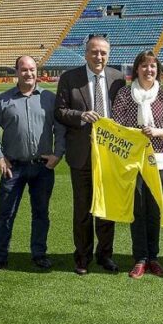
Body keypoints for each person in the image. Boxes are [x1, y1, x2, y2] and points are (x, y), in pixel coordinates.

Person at [0, 56, 65, 273]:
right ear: (16, 72)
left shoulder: (48, 98)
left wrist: (58, 154)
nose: (29, 73)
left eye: (32, 69)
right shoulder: (3, 100)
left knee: (41, 213)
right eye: (24, 70)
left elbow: (61, 129)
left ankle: (39, 254)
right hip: (13, 167)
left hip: (42, 168)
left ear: (37, 71)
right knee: (5, 214)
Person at [55, 35, 125, 275]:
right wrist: (81, 116)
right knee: (83, 209)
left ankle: (105, 255)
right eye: (94, 52)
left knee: (106, 209)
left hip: (109, 155)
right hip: (82, 154)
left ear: (109, 55)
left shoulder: (117, 79)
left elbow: (124, 114)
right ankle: (82, 257)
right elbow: (60, 111)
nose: (99, 57)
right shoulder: (69, 78)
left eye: (103, 53)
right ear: (86, 53)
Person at [111, 50, 163, 279]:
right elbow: (117, 125)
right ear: (136, 69)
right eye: (144, 66)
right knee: (138, 209)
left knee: (155, 209)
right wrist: (137, 134)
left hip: (160, 161)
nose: (149, 70)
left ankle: (154, 257)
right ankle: (140, 257)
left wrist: (156, 132)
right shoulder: (124, 94)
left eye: (153, 67)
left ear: (157, 70)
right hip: (133, 161)